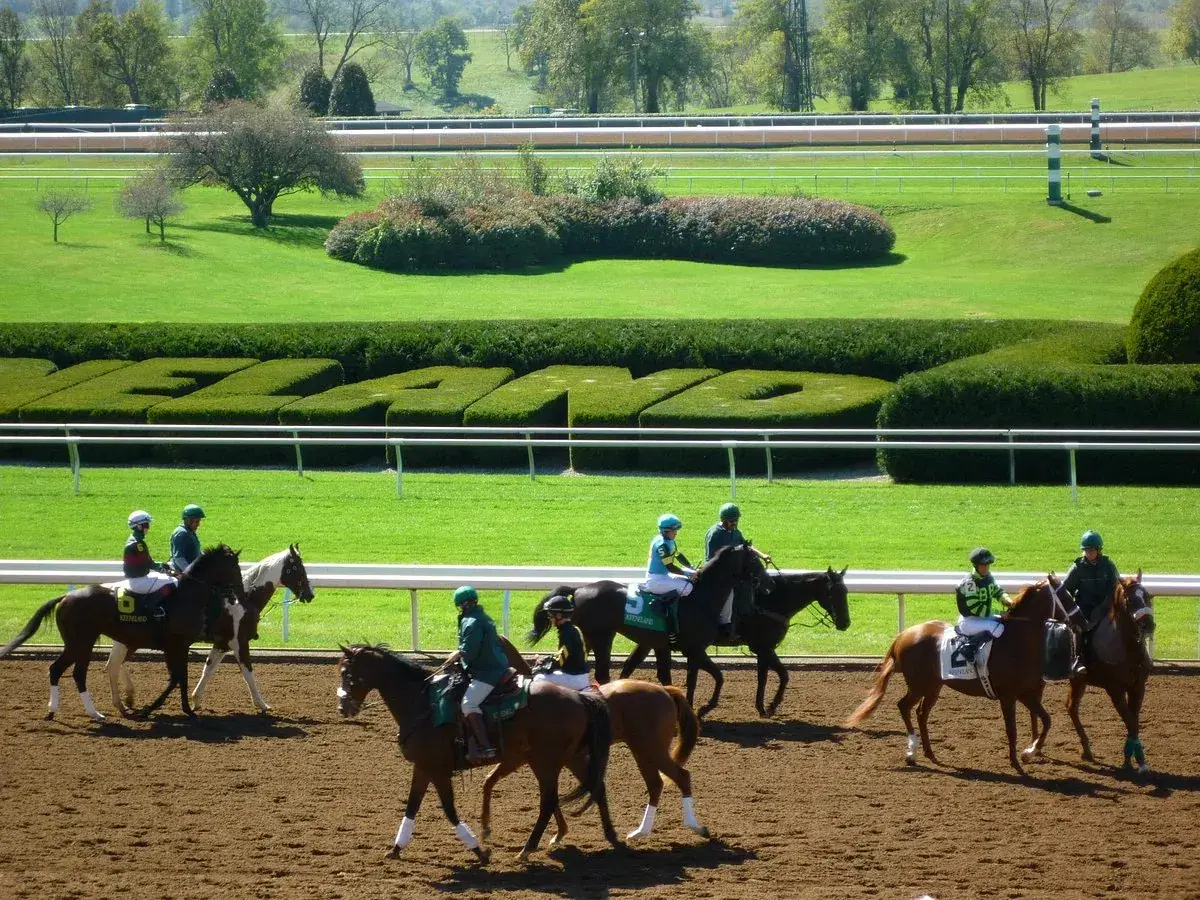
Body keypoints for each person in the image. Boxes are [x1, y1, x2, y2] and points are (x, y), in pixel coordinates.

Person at [444, 586, 509, 762]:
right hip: (495, 665)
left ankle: (486, 747)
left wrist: (458, 653)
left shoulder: (472, 621)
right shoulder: (482, 617)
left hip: (488, 671)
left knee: (468, 704)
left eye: (460, 606)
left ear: (464, 605)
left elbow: (470, 649)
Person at [704, 503, 772, 640]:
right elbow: (712, 558)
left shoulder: (736, 532)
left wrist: (762, 555)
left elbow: (746, 547)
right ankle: (725, 625)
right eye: (732, 520)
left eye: (736, 520)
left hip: (733, 571)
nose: (734, 523)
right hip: (717, 573)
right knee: (729, 593)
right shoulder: (715, 534)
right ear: (723, 520)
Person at [1062, 530, 1121, 678]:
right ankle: (1078, 660)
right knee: (1079, 629)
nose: (1089, 553)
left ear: (1099, 550)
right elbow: (1065, 590)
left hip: (1106, 607)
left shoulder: (1108, 565)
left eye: (1092, 550)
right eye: (1086, 550)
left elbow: (1116, 587)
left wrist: (1105, 605)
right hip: (1084, 609)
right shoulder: (1077, 567)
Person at [954, 547, 1013, 664]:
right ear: (976, 565)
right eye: (983, 565)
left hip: (982, 618)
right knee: (998, 628)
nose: (986, 567)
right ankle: (968, 648)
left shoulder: (988, 578)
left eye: (988, 564)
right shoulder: (970, 582)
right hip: (969, 620)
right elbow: (976, 608)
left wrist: (1008, 601)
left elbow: (998, 592)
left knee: (1007, 624)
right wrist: (1000, 613)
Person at [122, 510, 176, 620]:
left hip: (139, 578)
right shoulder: (137, 544)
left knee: (167, 578)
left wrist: (160, 566)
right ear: (138, 526)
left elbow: (147, 562)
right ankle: (153, 606)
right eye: (146, 525)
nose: (148, 528)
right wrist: (160, 567)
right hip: (139, 581)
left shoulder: (136, 541)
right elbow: (148, 564)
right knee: (173, 582)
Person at [533, 595, 591, 691]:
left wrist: (543, 667)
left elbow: (561, 659)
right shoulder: (573, 628)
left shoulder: (567, 633)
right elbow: (563, 654)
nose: (549, 618)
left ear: (559, 616)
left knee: (538, 678)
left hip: (574, 678)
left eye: (551, 615)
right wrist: (546, 660)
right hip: (579, 675)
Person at [169, 504, 205, 573]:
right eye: (196, 521)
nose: (198, 524)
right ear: (188, 520)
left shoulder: (190, 532)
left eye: (199, 521)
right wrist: (190, 573)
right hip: (181, 573)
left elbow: (197, 553)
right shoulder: (181, 534)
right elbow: (178, 558)